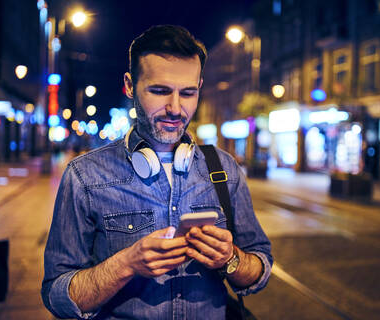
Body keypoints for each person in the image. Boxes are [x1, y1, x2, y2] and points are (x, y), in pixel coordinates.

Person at [41, 25, 272, 319]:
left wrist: (231, 259)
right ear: (129, 85)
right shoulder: (84, 176)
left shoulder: (224, 169)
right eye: (160, 91)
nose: (176, 108)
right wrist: (127, 264)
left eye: (188, 93)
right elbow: (57, 295)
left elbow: (259, 269)